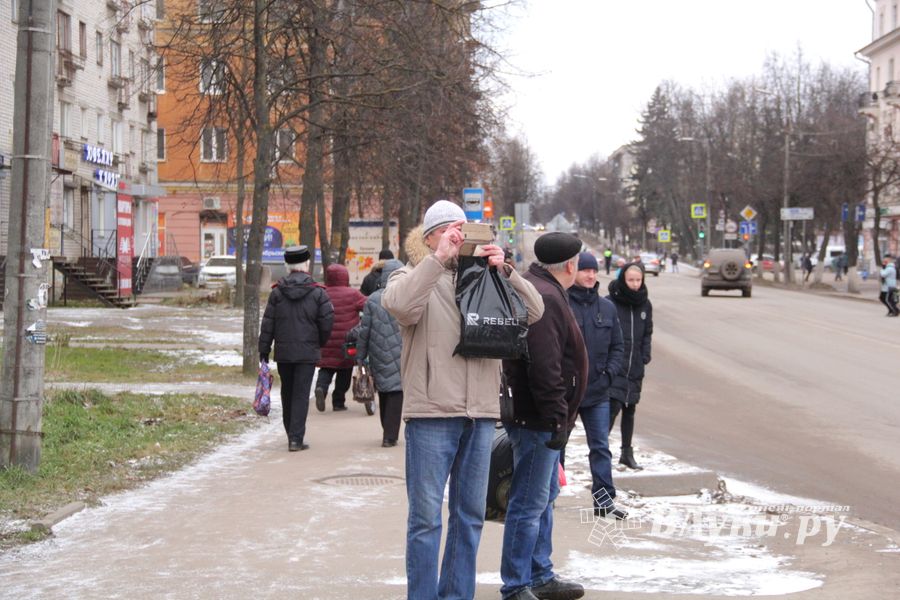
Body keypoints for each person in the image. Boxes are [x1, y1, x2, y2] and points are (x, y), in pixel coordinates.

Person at [382, 200, 544, 600]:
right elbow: (400, 306)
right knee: (425, 519)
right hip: (432, 413)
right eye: (452, 230)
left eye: (466, 230)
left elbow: (536, 311)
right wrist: (437, 259)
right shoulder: (412, 275)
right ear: (431, 236)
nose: (460, 237)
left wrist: (504, 269)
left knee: (470, 517)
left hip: (482, 414)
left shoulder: (488, 280)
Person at [501, 232, 588, 600]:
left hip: (542, 417)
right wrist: (556, 416)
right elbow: (545, 365)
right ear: (570, 265)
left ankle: (540, 574)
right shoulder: (547, 296)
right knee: (528, 502)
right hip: (539, 419)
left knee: (544, 496)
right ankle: (518, 584)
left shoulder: (542, 287)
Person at [567, 252, 626, 520]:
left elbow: (618, 347)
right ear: (574, 272)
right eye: (584, 270)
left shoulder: (607, 308)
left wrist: (609, 374)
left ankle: (604, 501)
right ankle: (547, 499)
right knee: (555, 447)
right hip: (567, 391)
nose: (590, 276)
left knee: (600, 447)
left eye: (593, 271)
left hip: (598, 392)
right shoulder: (562, 303)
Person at [259, 246, 334, 451]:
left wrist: (264, 349)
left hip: (284, 353)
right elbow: (327, 322)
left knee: (288, 393)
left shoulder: (277, 293)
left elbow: (268, 323)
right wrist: (318, 342)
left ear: (287, 266)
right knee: (301, 394)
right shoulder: (318, 293)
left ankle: (291, 433)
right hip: (307, 354)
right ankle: (296, 438)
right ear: (307, 265)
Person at [607, 262, 653, 470]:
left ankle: (627, 453)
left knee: (630, 409)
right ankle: (600, 452)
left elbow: (647, 333)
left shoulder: (645, 304)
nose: (635, 284)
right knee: (612, 408)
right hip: (616, 365)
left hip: (635, 366)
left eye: (638, 280)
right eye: (630, 280)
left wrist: (645, 356)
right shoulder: (611, 302)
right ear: (622, 279)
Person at [355, 259, 405, 447]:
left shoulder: (373, 299)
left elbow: (364, 330)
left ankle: (387, 431)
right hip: (402, 351)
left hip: (378, 353)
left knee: (384, 390)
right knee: (396, 392)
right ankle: (391, 435)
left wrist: (360, 355)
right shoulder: (405, 296)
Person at [314, 263, 367, 412]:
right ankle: (338, 402)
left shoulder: (322, 293)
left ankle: (321, 389)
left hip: (325, 340)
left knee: (326, 368)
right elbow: (368, 304)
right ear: (345, 277)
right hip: (347, 342)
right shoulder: (353, 294)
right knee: (345, 370)